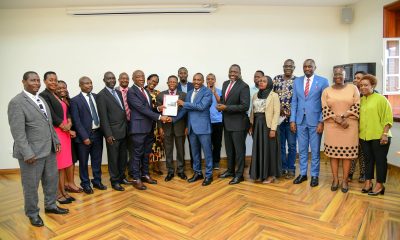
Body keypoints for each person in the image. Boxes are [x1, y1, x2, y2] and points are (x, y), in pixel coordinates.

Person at [8, 71, 68, 227]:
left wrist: (55, 140)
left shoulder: (41, 99)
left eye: (37, 80)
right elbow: (18, 132)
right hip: (31, 154)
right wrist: (27, 152)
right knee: (31, 185)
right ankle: (32, 213)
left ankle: (51, 206)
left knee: (51, 180)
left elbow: (49, 124)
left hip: (49, 150)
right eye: (32, 80)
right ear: (24, 82)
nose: (36, 83)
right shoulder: (17, 102)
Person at [127, 70, 170, 190]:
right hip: (139, 129)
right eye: (138, 76)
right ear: (133, 78)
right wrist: (160, 117)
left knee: (146, 154)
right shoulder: (131, 92)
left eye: (142, 76)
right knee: (136, 155)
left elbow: (149, 108)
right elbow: (141, 109)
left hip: (149, 127)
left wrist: (157, 108)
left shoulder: (144, 90)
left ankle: (145, 174)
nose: (141, 78)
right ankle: (136, 178)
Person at [290, 59, 329, 187]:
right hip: (300, 120)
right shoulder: (297, 81)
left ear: (315, 67)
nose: (307, 69)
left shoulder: (323, 81)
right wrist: (293, 120)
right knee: (301, 149)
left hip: (315, 121)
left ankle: (314, 175)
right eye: (305, 66)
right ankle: (302, 174)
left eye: (310, 66)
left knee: (315, 150)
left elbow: (326, 104)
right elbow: (294, 102)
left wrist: (321, 121)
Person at [322, 66, 360, 193]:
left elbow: (357, 105)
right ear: (333, 75)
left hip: (349, 125)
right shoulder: (326, 90)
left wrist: (344, 117)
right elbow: (325, 107)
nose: (338, 76)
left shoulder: (353, 88)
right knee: (333, 155)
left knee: (347, 156)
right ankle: (335, 179)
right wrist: (336, 118)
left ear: (345, 76)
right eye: (336, 74)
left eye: (341, 74)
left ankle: (344, 180)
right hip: (332, 126)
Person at [40, 72, 75, 204]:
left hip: (65, 132)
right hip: (58, 132)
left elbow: (67, 111)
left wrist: (70, 123)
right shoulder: (44, 95)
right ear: (45, 81)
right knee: (58, 166)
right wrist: (63, 125)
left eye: (55, 80)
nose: (53, 82)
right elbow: (51, 114)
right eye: (50, 80)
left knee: (64, 164)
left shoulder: (57, 95)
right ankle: (57, 194)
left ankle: (64, 192)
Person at [175, 73, 214, 186]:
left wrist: (184, 103)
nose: (196, 82)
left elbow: (201, 106)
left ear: (202, 81)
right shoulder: (190, 93)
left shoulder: (207, 92)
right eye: (195, 80)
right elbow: (185, 110)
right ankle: (197, 173)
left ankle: (208, 175)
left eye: (199, 80)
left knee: (207, 153)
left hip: (203, 128)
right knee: (195, 153)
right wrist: (172, 119)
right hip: (191, 128)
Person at [70, 76, 106, 194]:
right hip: (83, 137)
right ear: (80, 85)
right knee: (84, 162)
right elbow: (76, 121)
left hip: (98, 134)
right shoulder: (75, 100)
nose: (89, 85)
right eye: (86, 83)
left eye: (90, 83)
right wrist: (84, 137)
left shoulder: (97, 97)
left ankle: (97, 181)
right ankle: (85, 183)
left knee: (97, 160)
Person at [97, 71, 131, 191]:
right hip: (113, 133)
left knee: (123, 157)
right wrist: (108, 134)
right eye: (109, 78)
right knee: (113, 158)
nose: (111, 80)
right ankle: (115, 181)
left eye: (113, 78)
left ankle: (122, 177)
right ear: (104, 80)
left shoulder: (117, 92)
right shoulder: (101, 95)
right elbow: (103, 117)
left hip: (123, 130)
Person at [359, 74, 393, 196]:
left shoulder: (381, 99)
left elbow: (388, 118)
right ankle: (368, 182)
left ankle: (380, 184)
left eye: (366, 85)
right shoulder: (361, 100)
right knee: (368, 160)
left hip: (380, 136)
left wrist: (384, 133)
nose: (362, 87)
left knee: (380, 161)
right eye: (361, 85)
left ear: (373, 85)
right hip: (364, 136)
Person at [217, 64, 250, 185]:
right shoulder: (225, 83)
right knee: (229, 149)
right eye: (231, 71)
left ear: (240, 73)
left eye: (235, 72)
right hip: (226, 122)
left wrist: (226, 107)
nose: (233, 73)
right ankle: (230, 171)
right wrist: (220, 105)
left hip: (238, 124)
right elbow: (223, 99)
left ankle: (239, 174)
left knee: (239, 151)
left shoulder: (244, 86)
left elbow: (244, 106)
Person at [249, 76, 281, 183]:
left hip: (268, 125)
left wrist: (273, 129)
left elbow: (276, 113)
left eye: (264, 81)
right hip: (257, 125)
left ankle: (270, 175)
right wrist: (251, 125)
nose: (261, 82)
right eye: (260, 81)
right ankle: (259, 174)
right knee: (258, 149)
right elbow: (252, 111)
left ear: (269, 83)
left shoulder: (274, 95)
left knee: (269, 150)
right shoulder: (255, 95)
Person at [157, 75, 187, 181]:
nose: (172, 83)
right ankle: (170, 171)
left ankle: (181, 171)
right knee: (168, 150)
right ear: (167, 83)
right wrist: (160, 127)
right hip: (166, 127)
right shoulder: (161, 95)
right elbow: (158, 113)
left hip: (180, 127)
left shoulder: (183, 95)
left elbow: (186, 112)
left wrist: (186, 127)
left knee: (180, 150)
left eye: (175, 82)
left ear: (177, 83)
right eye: (171, 82)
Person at [56, 80, 82, 193]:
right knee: (65, 160)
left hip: (72, 134)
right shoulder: (55, 103)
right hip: (63, 134)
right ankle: (67, 184)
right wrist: (68, 130)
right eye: (59, 88)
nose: (62, 90)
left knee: (71, 159)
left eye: (64, 87)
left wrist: (71, 128)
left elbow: (71, 116)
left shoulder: (70, 101)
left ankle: (69, 183)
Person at [273, 59, 297, 179]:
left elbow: (299, 100)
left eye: (290, 66)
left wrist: (291, 114)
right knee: (281, 145)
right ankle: (282, 168)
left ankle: (291, 168)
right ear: (283, 67)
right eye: (286, 66)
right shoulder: (276, 79)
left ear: (294, 68)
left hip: (292, 120)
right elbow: (272, 97)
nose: (288, 68)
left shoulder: (297, 81)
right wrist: (279, 109)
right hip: (278, 119)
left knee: (292, 145)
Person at [349, 70, 368, 182]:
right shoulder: (351, 92)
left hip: (364, 128)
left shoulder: (369, 94)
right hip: (352, 126)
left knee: (363, 152)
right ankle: (350, 173)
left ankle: (363, 174)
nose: (356, 79)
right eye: (355, 77)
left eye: (359, 78)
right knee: (352, 151)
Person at [177, 67, 196, 168]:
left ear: (187, 74)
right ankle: (181, 166)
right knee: (180, 145)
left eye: (185, 73)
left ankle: (194, 165)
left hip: (192, 118)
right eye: (181, 73)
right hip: (179, 119)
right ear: (178, 75)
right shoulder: (175, 86)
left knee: (193, 143)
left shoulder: (194, 85)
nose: (183, 75)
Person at [145, 74, 164, 175]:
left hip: (157, 123)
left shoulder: (159, 93)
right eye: (152, 80)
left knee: (157, 145)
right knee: (146, 145)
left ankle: (156, 165)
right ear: (147, 80)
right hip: (145, 122)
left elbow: (162, 109)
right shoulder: (142, 92)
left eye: (156, 81)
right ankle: (145, 166)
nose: (153, 83)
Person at [115, 72, 133, 178]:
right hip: (119, 126)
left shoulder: (132, 91)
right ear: (119, 80)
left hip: (132, 124)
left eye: (127, 79)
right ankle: (120, 173)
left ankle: (131, 171)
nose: (125, 80)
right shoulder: (114, 91)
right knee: (120, 151)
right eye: (123, 78)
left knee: (132, 149)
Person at [206, 73, 223, 170]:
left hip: (218, 121)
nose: (210, 80)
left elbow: (221, 103)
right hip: (206, 121)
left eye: (212, 79)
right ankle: (209, 161)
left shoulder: (220, 91)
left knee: (217, 143)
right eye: (208, 79)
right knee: (207, 143)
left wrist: (214, 92)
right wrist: (208, 92)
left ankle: (216, 162)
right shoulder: (203, 91)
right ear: (206, 80)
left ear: (215, 80)